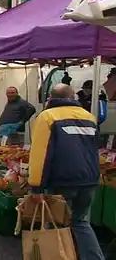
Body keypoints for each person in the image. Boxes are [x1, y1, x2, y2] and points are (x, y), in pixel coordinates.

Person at [27, 84, 104, 260]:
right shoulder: (89, 117)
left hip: (61, 180)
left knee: (54, 224)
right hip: (88, 179)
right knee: (80, 222)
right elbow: (94, 149)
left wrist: (36, 187)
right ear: (74, 97)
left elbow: (40, 153)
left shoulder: (47, 117)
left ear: (50, 99)